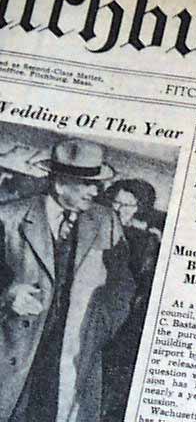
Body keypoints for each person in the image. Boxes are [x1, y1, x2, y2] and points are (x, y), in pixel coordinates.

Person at [0, 138, 135, 422]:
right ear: (60, 183)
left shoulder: (106, 221)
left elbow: (123, 285)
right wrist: (7, 295)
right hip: (13, 356)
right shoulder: (8, 218)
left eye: (96, 184)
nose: (95, 190)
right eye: (87, 184)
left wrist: (98, 327)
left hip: (71, 359)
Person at [99, 179, 163, 422]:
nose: (119, 209)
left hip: (122, 326)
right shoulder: (93, 229)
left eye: (128, 205)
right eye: (115, 202)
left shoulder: (144, 243)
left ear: (139, 209)